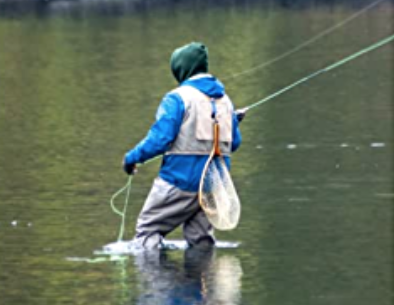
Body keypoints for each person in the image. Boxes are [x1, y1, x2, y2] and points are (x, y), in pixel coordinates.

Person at [123, 42, 245, 249]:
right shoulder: (226, 101)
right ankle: (202, 277)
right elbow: (234, 144)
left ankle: (157, 277)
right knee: (202, 242)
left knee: (148, 231)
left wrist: (131, 158)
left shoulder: (177, 98)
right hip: (212, 188)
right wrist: (232, 121)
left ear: (181, 70)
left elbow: (159, 140)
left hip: (178, 182)